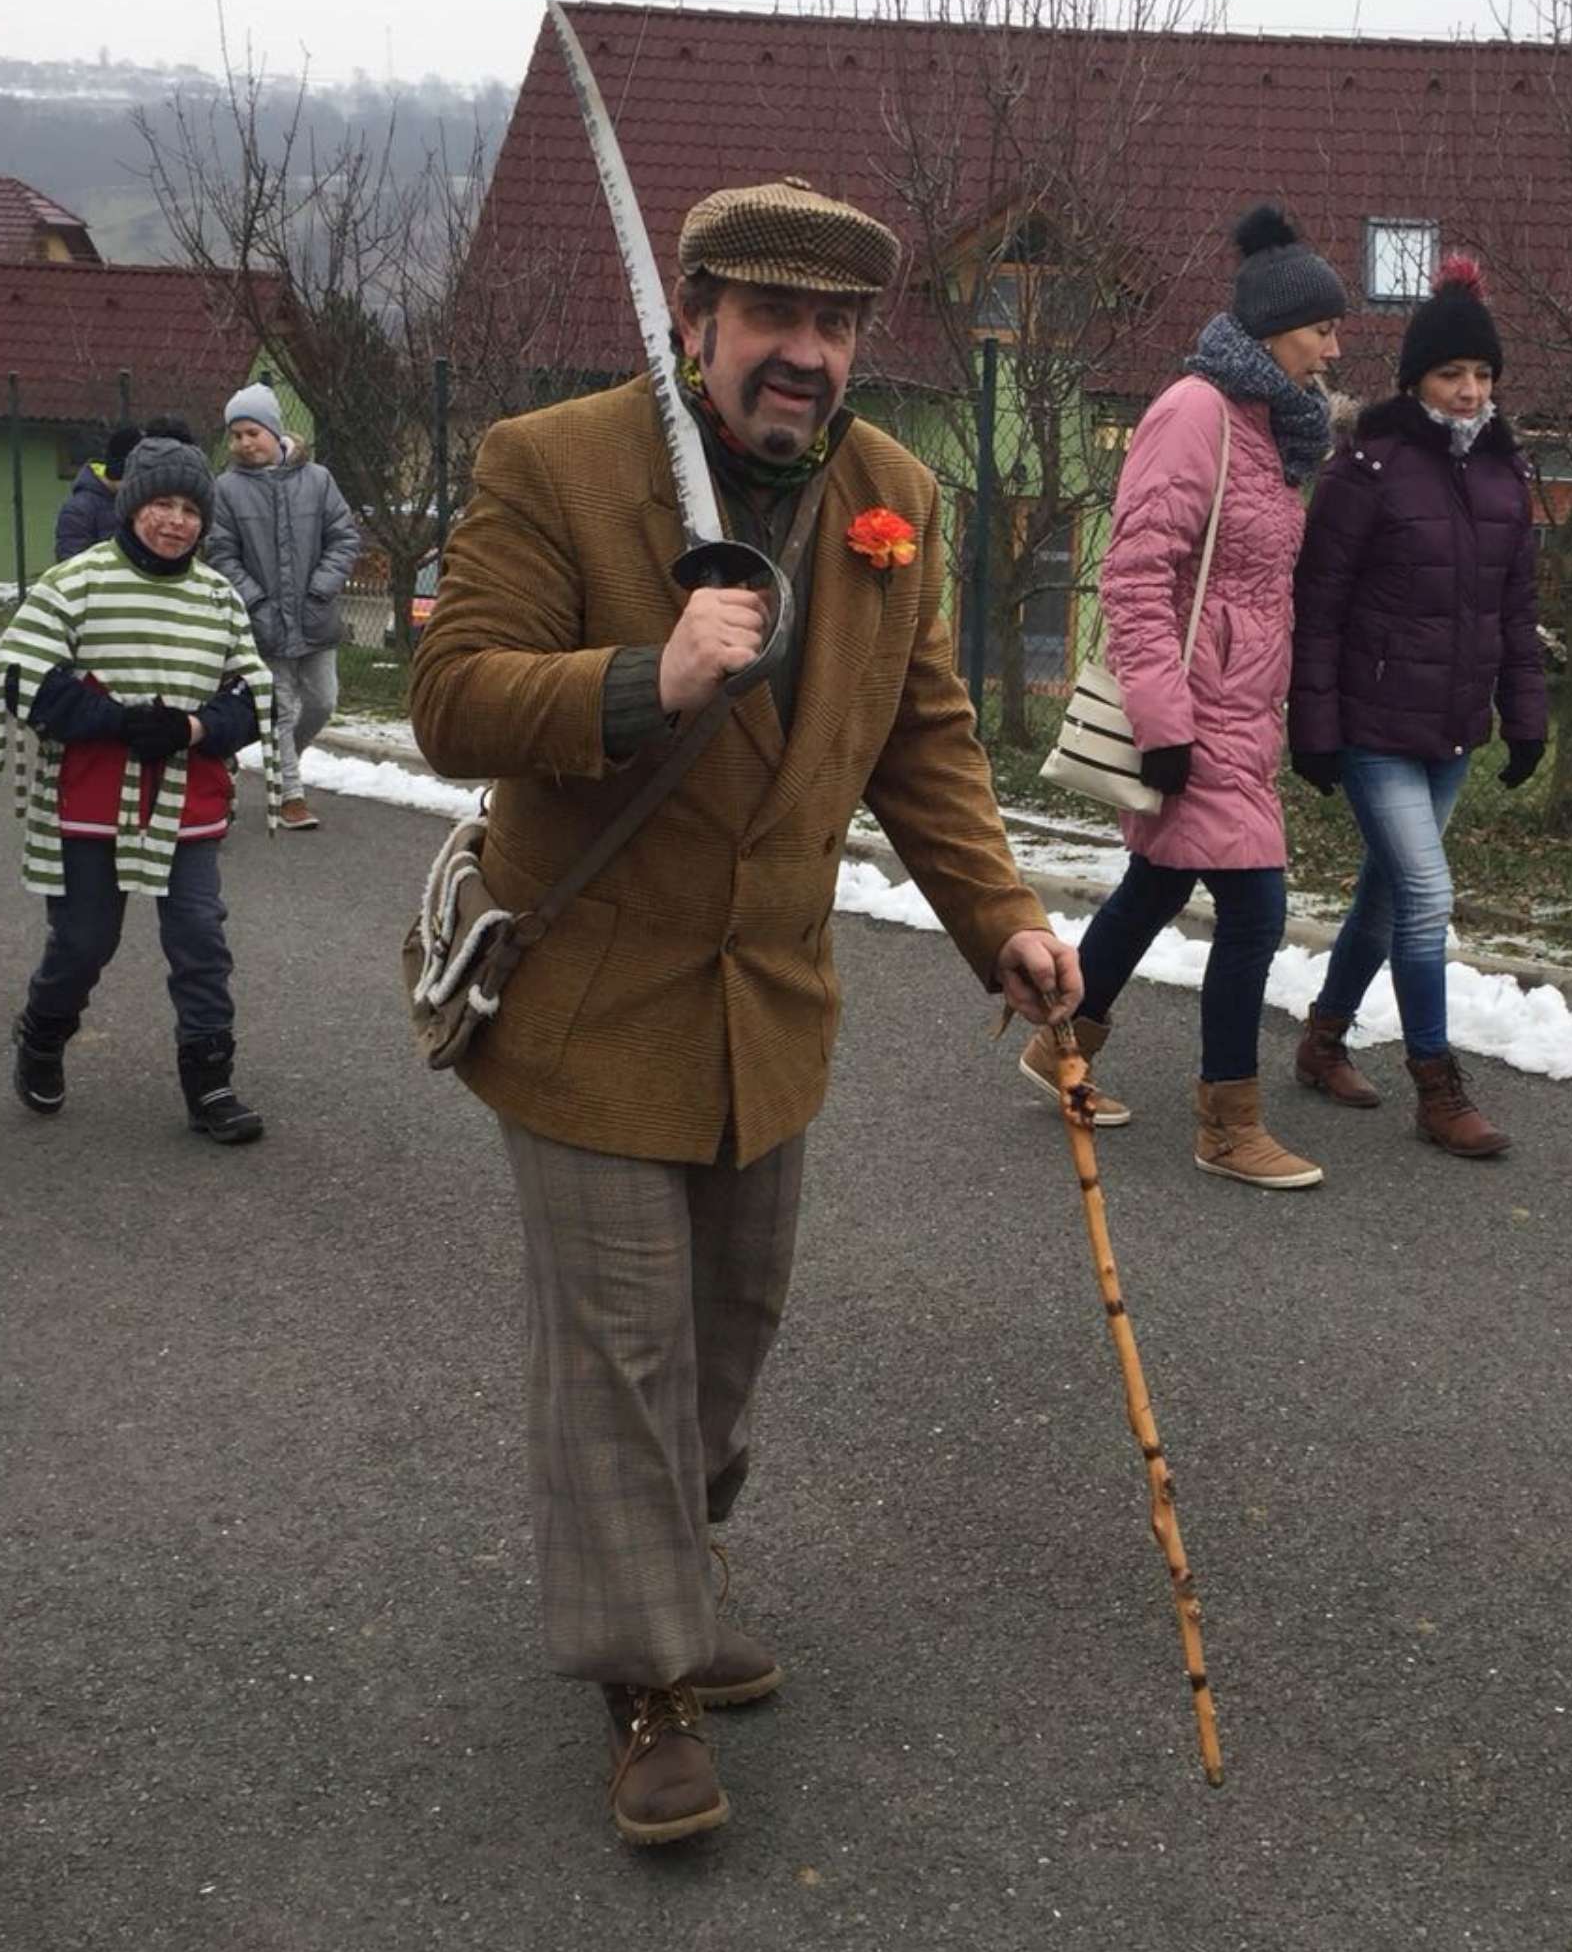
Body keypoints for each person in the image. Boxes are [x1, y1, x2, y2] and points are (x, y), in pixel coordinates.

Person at [408, 174, 1080, 1849]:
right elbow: (451, 698)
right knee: (623, 1349)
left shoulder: (892, 494)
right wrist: (651, 676)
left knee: (728, 1333)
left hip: (766, 1010)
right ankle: (646, 1679)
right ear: (695, 322)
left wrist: (999, 917)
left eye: (835, 325)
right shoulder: (555, 464)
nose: (806, 353)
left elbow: (921, 734)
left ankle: (676, 1568)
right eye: (772, 316)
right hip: (588, 1000)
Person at [1017, 203, 1342, 1189]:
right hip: (1192, 715)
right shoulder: (1196, 411)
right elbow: (1135, 574)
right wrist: (1163, 724)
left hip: (1241, 712)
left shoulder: (1270, 428)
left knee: (1156, 885)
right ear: (1273, 328)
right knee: (1255, 910)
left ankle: (1059, 1047)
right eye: (1321, 328)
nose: (1333, 348)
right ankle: (1228, 1127)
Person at [1285, 254, 1547, 1159]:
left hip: (1453, 730)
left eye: (1482, 374)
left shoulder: (1506, 476)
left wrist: (1526, 716)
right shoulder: (1366, 469)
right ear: (1414, 381)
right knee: (1428, 894)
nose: (1470, 392)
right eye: (1450, 374)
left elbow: (1514, 611)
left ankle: (1323, 1040)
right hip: (1374, 726)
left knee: (1388, 897)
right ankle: (1437, 1086)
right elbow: (1319, 607)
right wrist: (1314, 729)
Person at [0, 437, 275, 1144]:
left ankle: (210, 1081)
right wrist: (116, 721)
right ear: (132, 505)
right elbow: (22, 678)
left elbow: (254, 695)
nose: (176, 521)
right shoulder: (74, 583)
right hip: (91, 797)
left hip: (185, 797)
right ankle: (44, 1030)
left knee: (200, 939)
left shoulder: (218, 597)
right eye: (161, 504)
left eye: (190, 510)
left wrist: (193, 727)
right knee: (85, 941)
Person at [205, 382, 357, 831]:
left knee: (323, 701)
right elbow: (222, 554)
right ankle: (290, 794)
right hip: (264, 622)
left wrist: (322, 588)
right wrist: (254, 600)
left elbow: (344, 537)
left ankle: (285, 758)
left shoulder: (318, 480)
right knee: (281, 709)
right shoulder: (226, 490)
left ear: (274, 431)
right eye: (236, 435)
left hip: (315, 616)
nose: (244, 443)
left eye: (252, 432)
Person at [53, 424, 142, 564]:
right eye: (134, 479)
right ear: (118, 474)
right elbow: (71, 563)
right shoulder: (79, 509)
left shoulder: (137, 503)